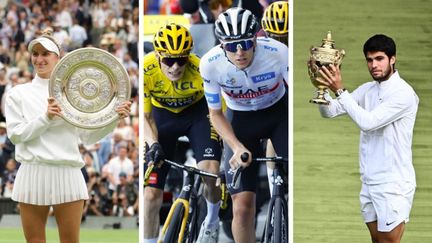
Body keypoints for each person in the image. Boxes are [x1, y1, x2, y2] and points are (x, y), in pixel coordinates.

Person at [4, 31, 131, 243]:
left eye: (46, 53)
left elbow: (88, 137)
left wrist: (114, 118)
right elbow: (16, 135)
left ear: (58, 57)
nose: (39, 59)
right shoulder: (18, 94)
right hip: (32, 172)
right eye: (35, 53)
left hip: (68, 172)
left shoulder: (72, 94)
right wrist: (46, 118)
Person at [315, 34, 418, 243]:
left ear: (392, 59)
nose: (374, 65)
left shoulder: (404, 94)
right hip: (369, 181)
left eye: (379, 59)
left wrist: (340, 90)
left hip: (393, 184)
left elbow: (368, 122)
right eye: (369, 60)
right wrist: (322, 87)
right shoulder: (368, 89)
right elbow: (330, 112)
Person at [200, 7, 288, 243]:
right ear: (221, 45)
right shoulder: (210, 64)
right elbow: (216, 114)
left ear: (256, 40)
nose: (239, 52)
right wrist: (236, 147)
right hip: (240, 121)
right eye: (231, 46)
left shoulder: (278, 52)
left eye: (245, 44)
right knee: (242, 205)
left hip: (278, 114)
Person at [143, 23, 222, 243]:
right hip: (162, 119)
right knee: (150, 193)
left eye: (182, 59)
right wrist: (153, 144)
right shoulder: (146, 69)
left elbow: (219, 113)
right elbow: (146, 118)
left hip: (197, 116)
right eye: (169, 60)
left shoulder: (201, 68)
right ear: (158, 56)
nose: (176, 67)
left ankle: (212, 222)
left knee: (211, 174)